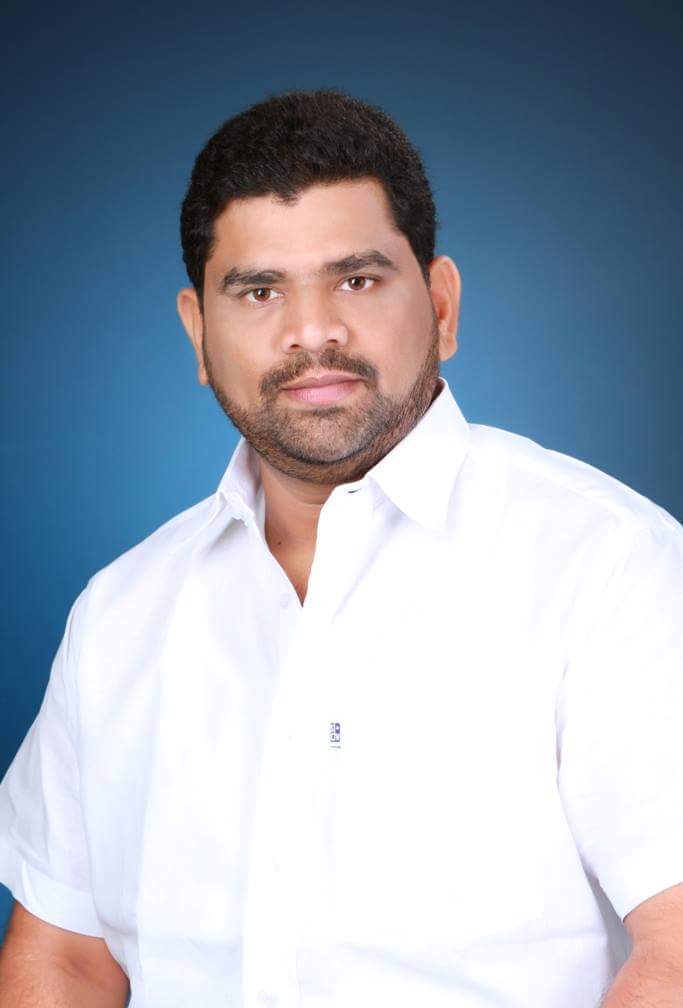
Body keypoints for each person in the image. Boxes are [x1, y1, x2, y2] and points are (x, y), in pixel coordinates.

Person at [0, 87, 682, 1008]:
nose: (311, 330)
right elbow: (66, 957)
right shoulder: (120, 614)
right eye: (259, 291)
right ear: (197, 333)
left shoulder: (608, 567)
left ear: (441, 305)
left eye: (356, 280)